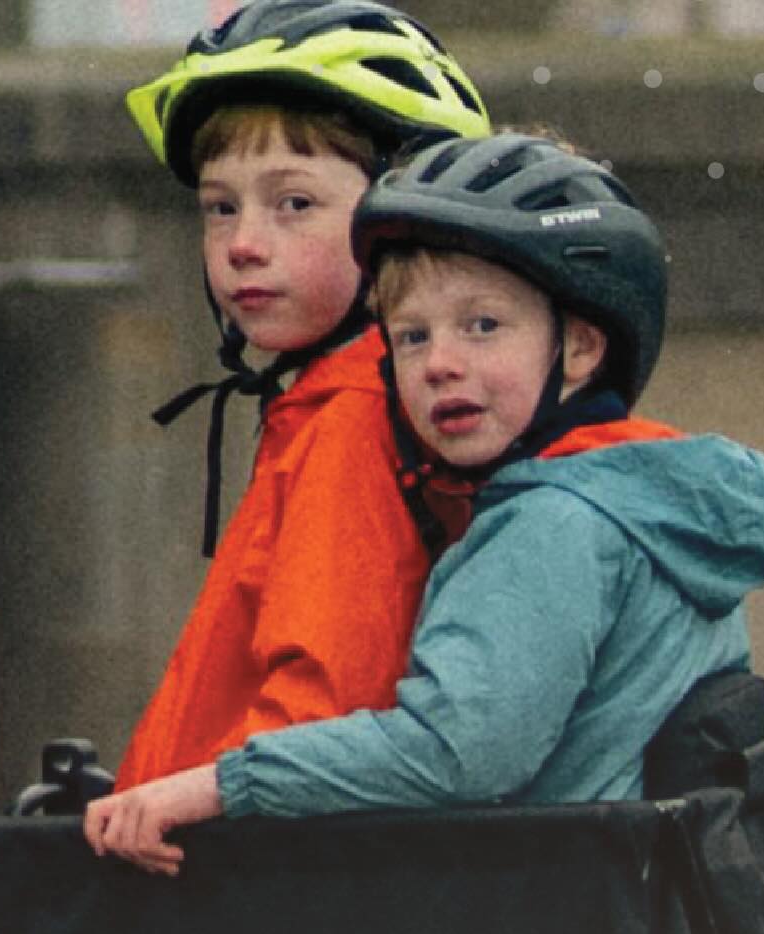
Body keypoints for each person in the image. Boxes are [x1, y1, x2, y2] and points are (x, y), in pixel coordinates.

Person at [87, 131, 764, 869]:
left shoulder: (554, 522)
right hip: (630, 930)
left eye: (483, 326)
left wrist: (223, 783)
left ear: (580, 348)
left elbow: (457, 751)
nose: (441, 365)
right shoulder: (649, 501)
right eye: (412, 336)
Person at [103, 0, 489, 793]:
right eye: (221, 207)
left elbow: (318, 706)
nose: (243, 242)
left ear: (401, 225)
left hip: (252, 888)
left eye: (294, 204)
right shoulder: (334, 401)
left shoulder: (354, 418)